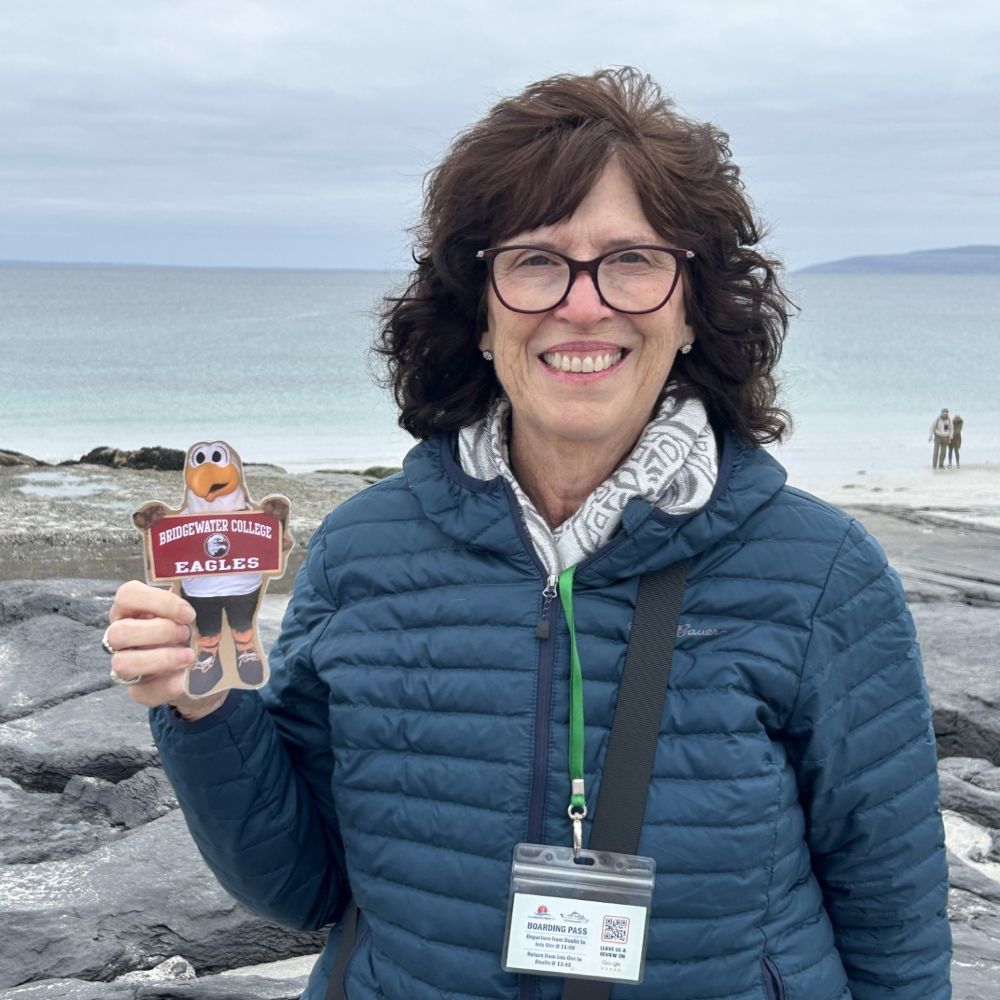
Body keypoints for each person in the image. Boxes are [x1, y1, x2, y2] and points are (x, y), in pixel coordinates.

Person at [104, 69, 951, 1000]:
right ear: (479, 309)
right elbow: (300, 887)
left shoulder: (820, 571)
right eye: (536, 260)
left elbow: (895, 920)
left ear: (691, 307)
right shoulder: (363, 551)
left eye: (633, 259)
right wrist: (205, 710)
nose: (582, 305)